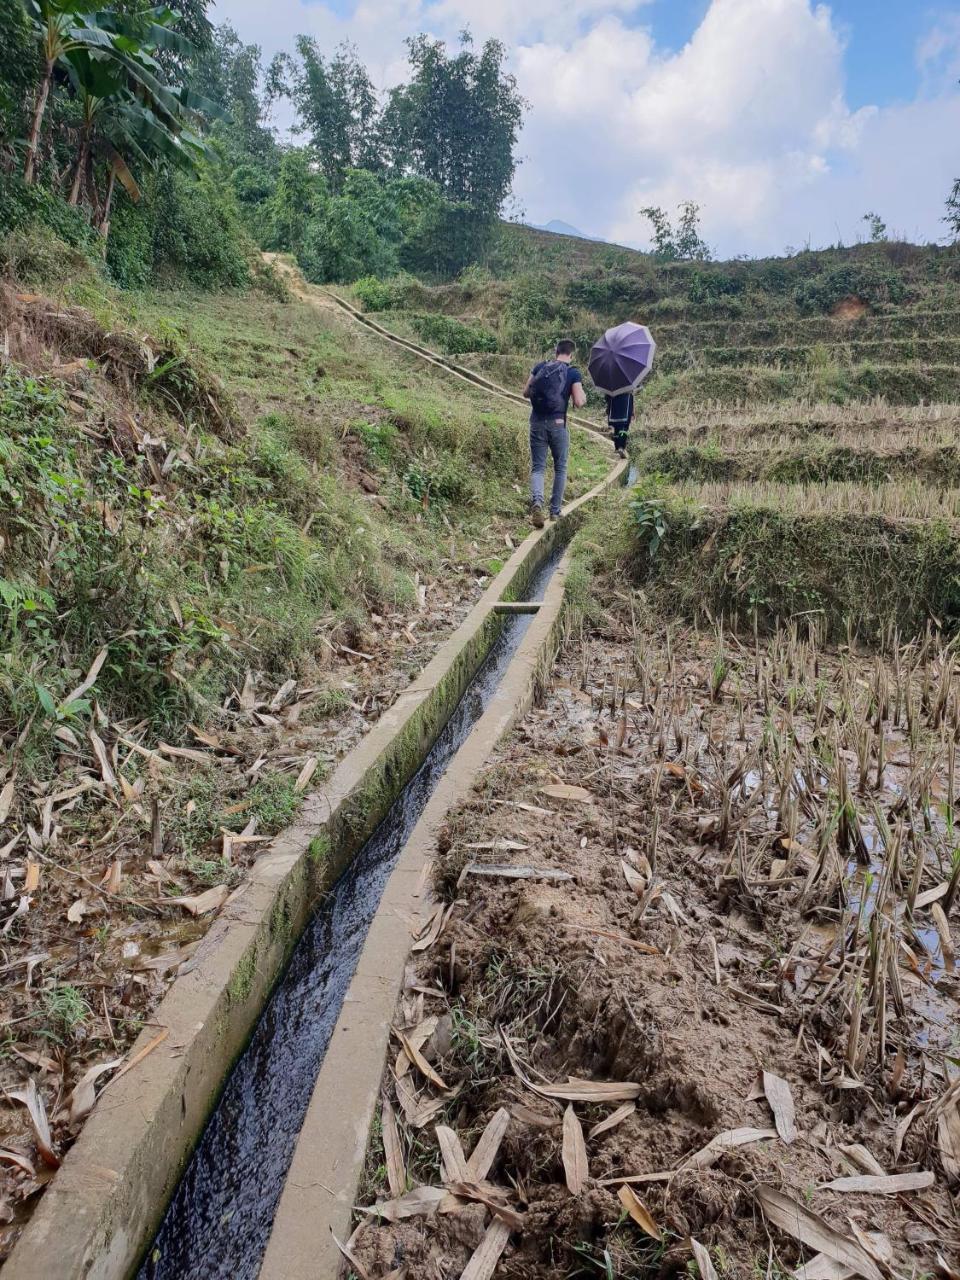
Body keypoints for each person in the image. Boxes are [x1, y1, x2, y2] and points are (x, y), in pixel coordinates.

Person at [522, 339, 586, 528]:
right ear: (571, 355)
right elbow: (579, 401)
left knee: (538, 467)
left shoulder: (541, 366)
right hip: (558, 424)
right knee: (560, 467)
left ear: (555, 351)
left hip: (536, 422)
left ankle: (537, 503)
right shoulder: (572, 372)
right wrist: (580, 397)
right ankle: (555, 511)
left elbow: (526, 392)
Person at [605, 388, 635, 458]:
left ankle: (616, 448)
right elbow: (631, 397)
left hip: (614, 408)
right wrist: (633, 411)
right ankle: (621, 447)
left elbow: (607, 398)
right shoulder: (628, 385)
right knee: (624, 428)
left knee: (616, 428)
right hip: (626, 405)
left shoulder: (611, 384)